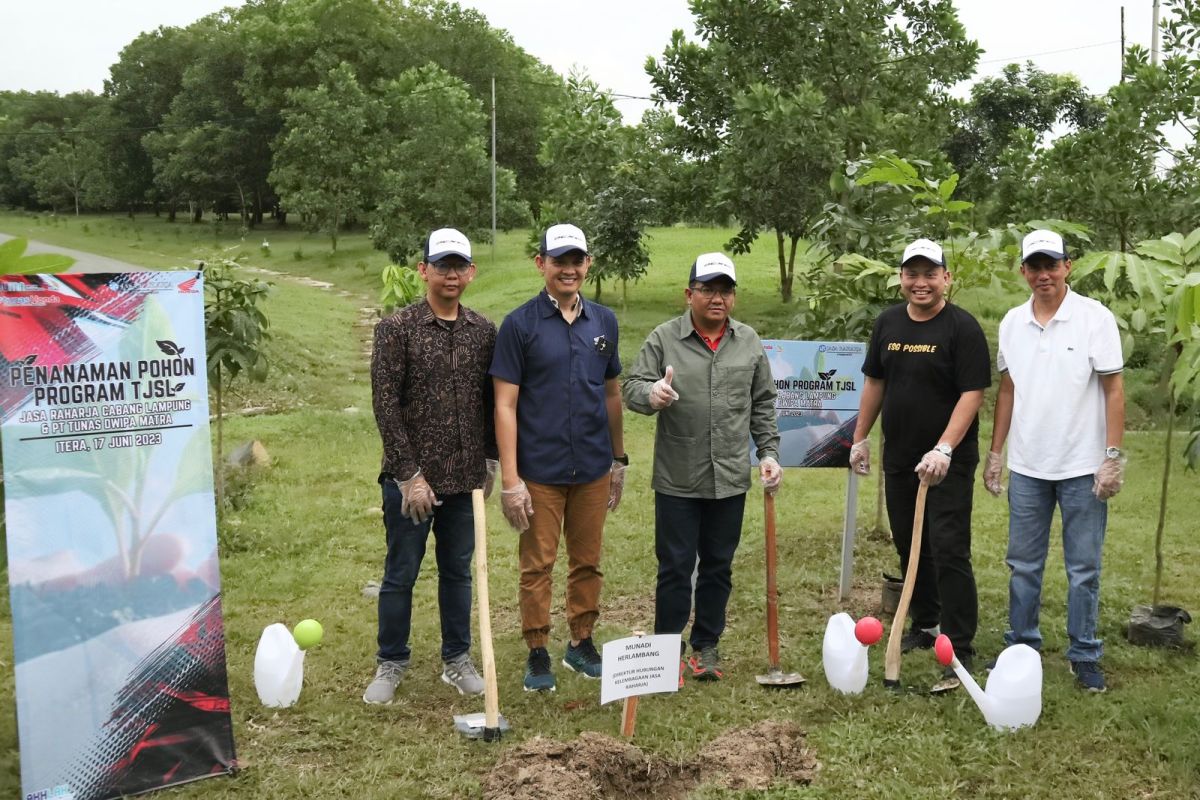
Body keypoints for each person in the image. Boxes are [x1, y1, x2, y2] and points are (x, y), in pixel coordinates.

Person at [623, 253, 782, 682]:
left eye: (725, 290)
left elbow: (763, 403)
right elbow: (632, 386)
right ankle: (666, 650)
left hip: (729, 477)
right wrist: (652, 393)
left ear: (733, 296)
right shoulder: (664, 338)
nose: (717, 298)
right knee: (675, 566)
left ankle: (705, 647)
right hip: (678, 476)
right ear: (689, 293)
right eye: (708, 289)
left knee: (717, 565)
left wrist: (768, 453)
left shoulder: (747, 341)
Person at [984, 229, 1125, 693]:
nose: (1043, 274)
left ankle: (1084, 652)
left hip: (1082, 466)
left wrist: (1111, 457)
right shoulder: (1011, 323)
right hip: (1028, 466)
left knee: (1083, 567)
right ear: (1023, 271)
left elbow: (1113, 388)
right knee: (1023, 565)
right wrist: (996, 453)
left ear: (1068, 265)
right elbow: (1007, 389)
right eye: (1034, 266)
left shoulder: (1094, 318)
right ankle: (1021, 647)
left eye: (1052, 264)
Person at [363, 227, 498, 704]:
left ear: (471, 272)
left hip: (465, 481)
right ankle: (391, 661)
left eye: (459, 267)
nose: (451, 275)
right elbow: (386, 405)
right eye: (442, 266)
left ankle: (456, 659)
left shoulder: (483, 331)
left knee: (458, 572)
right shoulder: (396, 329)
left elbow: (490, 402)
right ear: (424, 271)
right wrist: (409, 475)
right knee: (401, 572)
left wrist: (491, 462)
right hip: (410, 482)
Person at [489, 223, 626, 692]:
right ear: (541, 263)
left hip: (591, 466)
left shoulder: (604, 323)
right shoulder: (520, 324)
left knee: (587, 561)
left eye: (577, 260)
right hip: (540, 469)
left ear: (587, 264)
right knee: (538, 564)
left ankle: (581, 641)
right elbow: (505, 404)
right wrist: (511, 479)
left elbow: (611, 394)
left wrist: (618, 459)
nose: (568, 268)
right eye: (559, 260)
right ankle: (538, 650)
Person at [849, 238, 991, 687]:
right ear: (901, 278)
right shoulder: (887, 323)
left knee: (948, 546)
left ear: (946, 278)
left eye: (930, 273)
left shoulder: (961, 328)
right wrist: (860, 439)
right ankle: (926, 623)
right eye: (912, 273)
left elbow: (973, 394)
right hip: (901, 456)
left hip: (948, 460)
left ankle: (960, 644)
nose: (920, 282)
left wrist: (945, 448)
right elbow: (875, 382)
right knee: (909, 543)